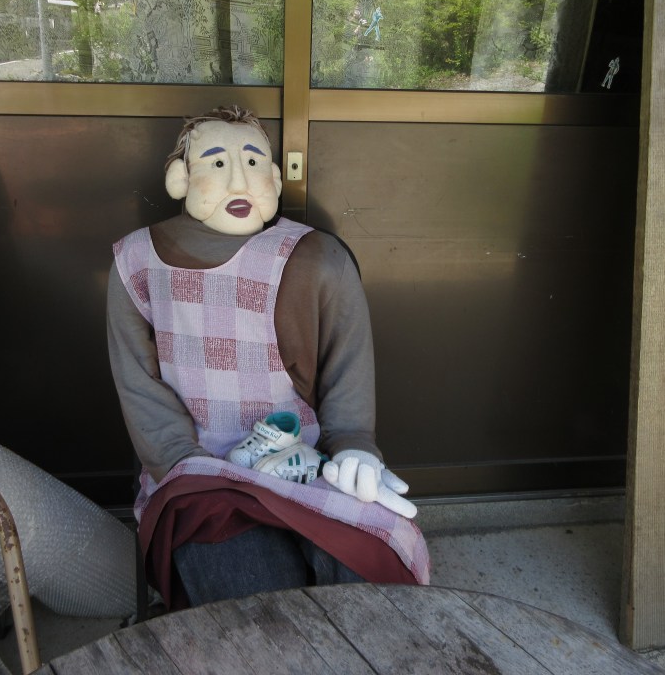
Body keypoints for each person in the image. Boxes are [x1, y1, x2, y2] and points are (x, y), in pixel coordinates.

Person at [107, 106, 430, 609]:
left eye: (254, 162)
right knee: (255, 596)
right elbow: (137, 381)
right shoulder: (136, 262)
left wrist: (354, 446)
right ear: (179, 178)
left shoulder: (318, 257)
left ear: (275, 178)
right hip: (200, 473)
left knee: (367, 574)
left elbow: (347, 366)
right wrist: (182, 463)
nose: (239, 180)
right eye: (217, 163)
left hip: (305, 462)